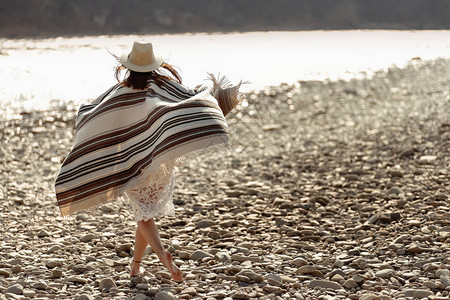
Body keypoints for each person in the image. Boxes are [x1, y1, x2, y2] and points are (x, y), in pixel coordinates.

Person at [54, 41, 244, 280]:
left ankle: (163, 255)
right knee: (144, 213)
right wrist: (219, 99)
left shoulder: (119, 91)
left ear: (127, 66)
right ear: (155, 65)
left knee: (143, 214)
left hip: (135, 161)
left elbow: (94, 114)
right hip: (160, 159)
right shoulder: (166, 87)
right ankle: (135, 266)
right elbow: (191, 101)